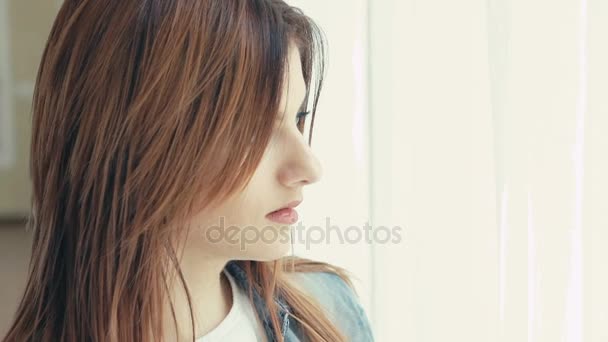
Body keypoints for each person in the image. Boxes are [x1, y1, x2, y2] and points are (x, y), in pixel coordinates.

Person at [2, 1, 374, 341]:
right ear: (136, 139)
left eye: (298, 118)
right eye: (254, 130)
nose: (309, 167)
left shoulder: (327, 310)